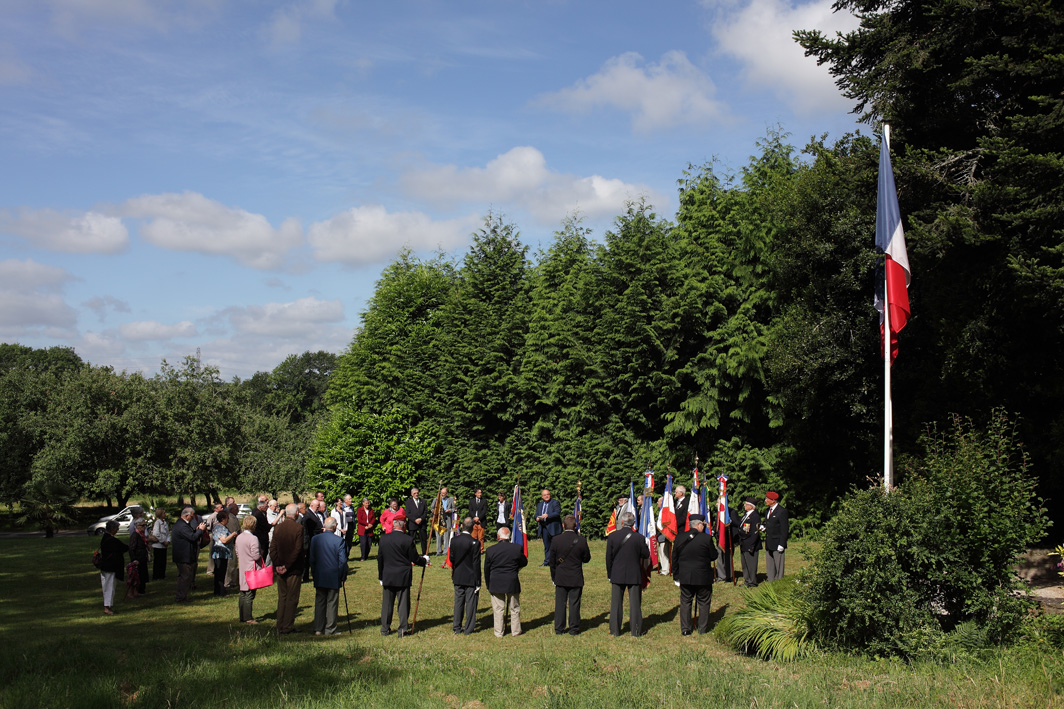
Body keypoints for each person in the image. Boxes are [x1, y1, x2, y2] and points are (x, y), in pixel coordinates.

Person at [377, 518, 429, 637]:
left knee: (387, 604)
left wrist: (381, 576)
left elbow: (380, 558)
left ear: (394, 526)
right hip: (402, 576)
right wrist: (424, 560)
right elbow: (414, 558)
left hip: (388, 575)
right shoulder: (408, 539)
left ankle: (385, 629)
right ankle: (402, 630)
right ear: (403, 526)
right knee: (403, 604)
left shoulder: (384, 539)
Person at [605, 511, 649, 637]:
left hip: (617, 573)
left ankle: (614, 629)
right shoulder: (639, 538)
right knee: (635, 603)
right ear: (634, 523)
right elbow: (646, 554)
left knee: (616, 603)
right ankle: (636, 630)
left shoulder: (613, 537)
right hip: (634, 573)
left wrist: (610, 574)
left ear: (622, 522)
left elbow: (609, 557)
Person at [673, 513, 718, 635]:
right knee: (703, 602)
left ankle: (685, 629)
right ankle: (702, 629)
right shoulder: (706, 538)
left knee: (686, 601)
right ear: (698, 525)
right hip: (702, 576)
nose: (703, 527)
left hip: (685, 575)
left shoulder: (680, 537)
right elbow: (714, 556)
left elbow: (675, 558)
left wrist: (676, 576)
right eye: (703, 525)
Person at [549, 514, 591, 636]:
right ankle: (574, 628)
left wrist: (554, 577)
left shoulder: (556, 540)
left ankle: (559, 628)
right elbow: (587, 558)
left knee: (560, 603)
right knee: (574, 603)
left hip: (561, 576)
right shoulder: (582, 540)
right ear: (575, 526)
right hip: (575, 576)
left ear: (563, 526)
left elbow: (552, 561)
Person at [483, 527, 527, 637]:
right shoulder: (516, 548)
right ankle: (516, 631)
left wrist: (488, 584)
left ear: (498, 537)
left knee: (498, 609)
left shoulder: (490, 550)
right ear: (509, 537)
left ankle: (498, 632)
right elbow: (524, 562)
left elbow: (486, 570)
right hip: (511, 581)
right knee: (514, 608)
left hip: (496, 582)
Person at [310, 517, 349, 636]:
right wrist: (343, 575)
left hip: (320, 574)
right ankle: (330, 628)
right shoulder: (339, 541)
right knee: (332, 602)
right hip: (333, 574)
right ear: (334, 527)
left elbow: (312, 559)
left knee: (320, 601)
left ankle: (318, 628)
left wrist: (314, 573)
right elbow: (342, 561)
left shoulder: (315, 539)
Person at [271, 504, 305, 634]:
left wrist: (277, 564)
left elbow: (272, 548)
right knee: (291, 598)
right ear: (296, 514)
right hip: (293, 569)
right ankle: (287, 626)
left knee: (282, 597)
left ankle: (280, 624)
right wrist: (286, 566)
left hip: (281, 568)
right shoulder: (299, 528)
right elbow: (298, 550)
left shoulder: (278, 527)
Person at [449, 517, 481, 635]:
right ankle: (468, 628)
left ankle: (456, 627)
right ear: (473, 528)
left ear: (461, 526)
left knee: (458, 602)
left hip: (458, 575)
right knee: (470, 603)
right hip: (471, 576)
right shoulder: (475, 543)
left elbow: (452, 558)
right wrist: (478, 581)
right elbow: (476, 563)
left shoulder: (454, 541)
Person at [172, 507, 205, 603]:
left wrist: (196, 529)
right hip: (183, 556)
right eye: (191, 516)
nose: (193, 518)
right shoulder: (181, 526)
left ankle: (182, 596)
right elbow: (192, 537)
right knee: (185, 577)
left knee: (184, 577)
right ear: (186, 516)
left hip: (184, 555)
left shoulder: (183, 525)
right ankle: (181, 597)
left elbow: (190, 534)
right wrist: (200, 530)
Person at [235, 514, 262, 624]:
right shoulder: (253, 538)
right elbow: (255, 555)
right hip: (251, 568)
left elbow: (237, 552)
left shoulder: (239, 537)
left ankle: (242, 616)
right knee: (250, 594)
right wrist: (261, 554)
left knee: (243, 592)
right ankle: (248, 617)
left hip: (242, 566)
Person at [98, 519, 128, 615]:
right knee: (110, 587)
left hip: (105, 566)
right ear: (112, 529)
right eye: (117, 529)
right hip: (110, 567)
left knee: (106, 587)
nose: (117, 530)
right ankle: (107, 608)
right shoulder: (112, 541)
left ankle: (108, 606)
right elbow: (123, 547)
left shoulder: (105, 538)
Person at [762, 491, 789, 581]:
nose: (765, 500)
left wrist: (782, 543)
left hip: (777, 542)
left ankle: (780, 582)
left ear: (773, 500)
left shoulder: (782, 511)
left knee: (779, 565)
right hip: (769, 542)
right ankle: (771, 581)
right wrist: (764, 527)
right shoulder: (767, 511)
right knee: (770, 565)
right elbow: (770, 523)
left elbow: (784, 529)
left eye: (767, 499)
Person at [735, 497, 761, 587]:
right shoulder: (746, 515)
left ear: (751, 506)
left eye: (746, 504)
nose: (744, 505)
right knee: (745, 564)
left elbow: (755, 532)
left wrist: (751, 545)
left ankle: (752, 581)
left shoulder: (755, 516)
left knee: (751, 564)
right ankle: (747, 580)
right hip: (743, 543)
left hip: (750, 544)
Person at [210, 510, 237, 597]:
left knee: (221, 572)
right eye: (227, 518)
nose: (228, 520)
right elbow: (224, 540)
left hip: (223, 553)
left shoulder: (222, 527)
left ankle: (218, 591)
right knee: (220, 573)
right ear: (223, 519)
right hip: (220, 553)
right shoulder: (219, 527)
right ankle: (221, 592)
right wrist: (232, 534)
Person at [714, 499, 739, 583]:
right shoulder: (718, 513)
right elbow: (716, 525)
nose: (716, 504)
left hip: (729, 539)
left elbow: (737, 524)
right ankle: (721, 576)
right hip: (719, 538)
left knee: (728, 558)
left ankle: (729, 576)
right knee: (719, 557)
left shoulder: (731, 512)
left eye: (718, 502)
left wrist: (730, 522)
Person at [535, 489, 562, 567]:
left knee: (556, 546)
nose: (546, 496)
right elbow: (536, 514)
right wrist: (536, 517)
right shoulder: (539, 504)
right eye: (545, 495)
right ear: (542, 496)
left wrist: (548, 515)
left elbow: (557, 513)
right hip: (544, 528)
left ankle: (557, 562)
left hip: (554, 528)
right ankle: (547, 562)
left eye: (548, 494)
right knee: (547, 546)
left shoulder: (555, 502)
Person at [302, 499, 325, 583]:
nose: (318, 508)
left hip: (315, 539)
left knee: (313, 558)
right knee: (308, 559)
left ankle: (312, 574)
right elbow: (309, 530)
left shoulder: (315, 514)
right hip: (311, 540)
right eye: (317, 506)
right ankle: (306, 576)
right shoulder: (308, 516)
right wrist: (321, 530)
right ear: (311, 505)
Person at [127, 517, 150, 597]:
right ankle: (136, 591)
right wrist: (134, 559)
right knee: (137, 576)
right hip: (138, 559)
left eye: (145, 525)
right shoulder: (135, 535)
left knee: (143, 575)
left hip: (143, 558)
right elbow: (131, 548)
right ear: (138, 526)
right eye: (143, 525)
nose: (144, 527)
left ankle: (141, 590)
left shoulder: (142, 535)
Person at [224, 502, 242, 591]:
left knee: (234, 563)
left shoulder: (233, 517)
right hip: (231, 543)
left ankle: (233, 581)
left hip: (234, 542)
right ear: (232, 510)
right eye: (236, 509)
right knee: (231, 564)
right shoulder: (230, 518)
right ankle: (228, 582)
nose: (238, 510)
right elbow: (234, 530)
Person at [150, 508, 170, 581]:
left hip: (164, 545)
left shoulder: (165, 523)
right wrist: (163, 541)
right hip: (158, 545)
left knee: (163, 561)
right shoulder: (157, 523)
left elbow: (168, 533)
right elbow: (156, 534)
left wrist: (168, 541)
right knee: (158, 561)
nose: (165, 514)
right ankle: (156, 575)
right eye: (164, 513)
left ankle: (162, 575)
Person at [436, 487, 456, 556]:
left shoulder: (450, 499)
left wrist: (450, 510)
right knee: (438, 535)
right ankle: (438, 551)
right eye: (441, 493)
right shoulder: (436, 499)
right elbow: (432, 508)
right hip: (438, 520)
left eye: (444, 493)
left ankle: (445, 551)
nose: (442, 494)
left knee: (446, 535)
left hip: (447, 518)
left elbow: (454, 509)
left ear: (447, 493)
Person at [251, 496, 270, 561]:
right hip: (260, 537)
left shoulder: (261, 513)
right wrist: (272, 525)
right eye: (266, 507)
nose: (267, 508)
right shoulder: (258, 514)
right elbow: (266, 527)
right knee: (262, 555)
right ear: (261, 507)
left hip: (261, 537)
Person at [343, 494, 357, 559]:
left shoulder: (352, 507)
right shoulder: (342, 507)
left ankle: (347, 555)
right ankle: (344, 555)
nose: (351, 500)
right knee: (345, 541)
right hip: (345, 526)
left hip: (351, 525)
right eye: (349, 499)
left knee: (350, 541)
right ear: (345, 501)